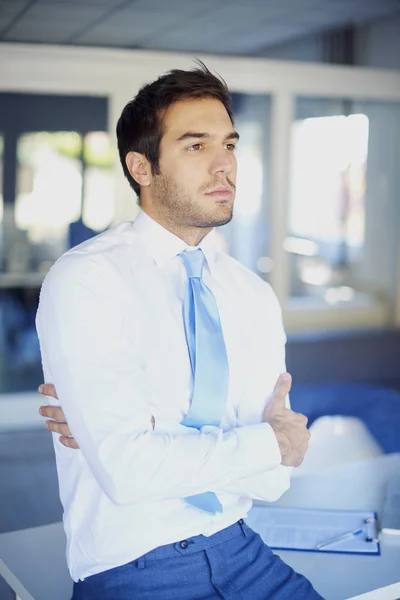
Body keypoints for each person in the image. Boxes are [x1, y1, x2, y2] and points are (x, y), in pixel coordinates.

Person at [36, 62, 318, 599]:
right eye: (196, 146)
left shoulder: (252, 296)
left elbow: (275, 478)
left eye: (229, 145)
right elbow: (128, 474)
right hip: (136, 566)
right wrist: (263, 440)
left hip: (243, 547)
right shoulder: (87, 279)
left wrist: (162, 438)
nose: (224, 166)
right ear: (142, 167)